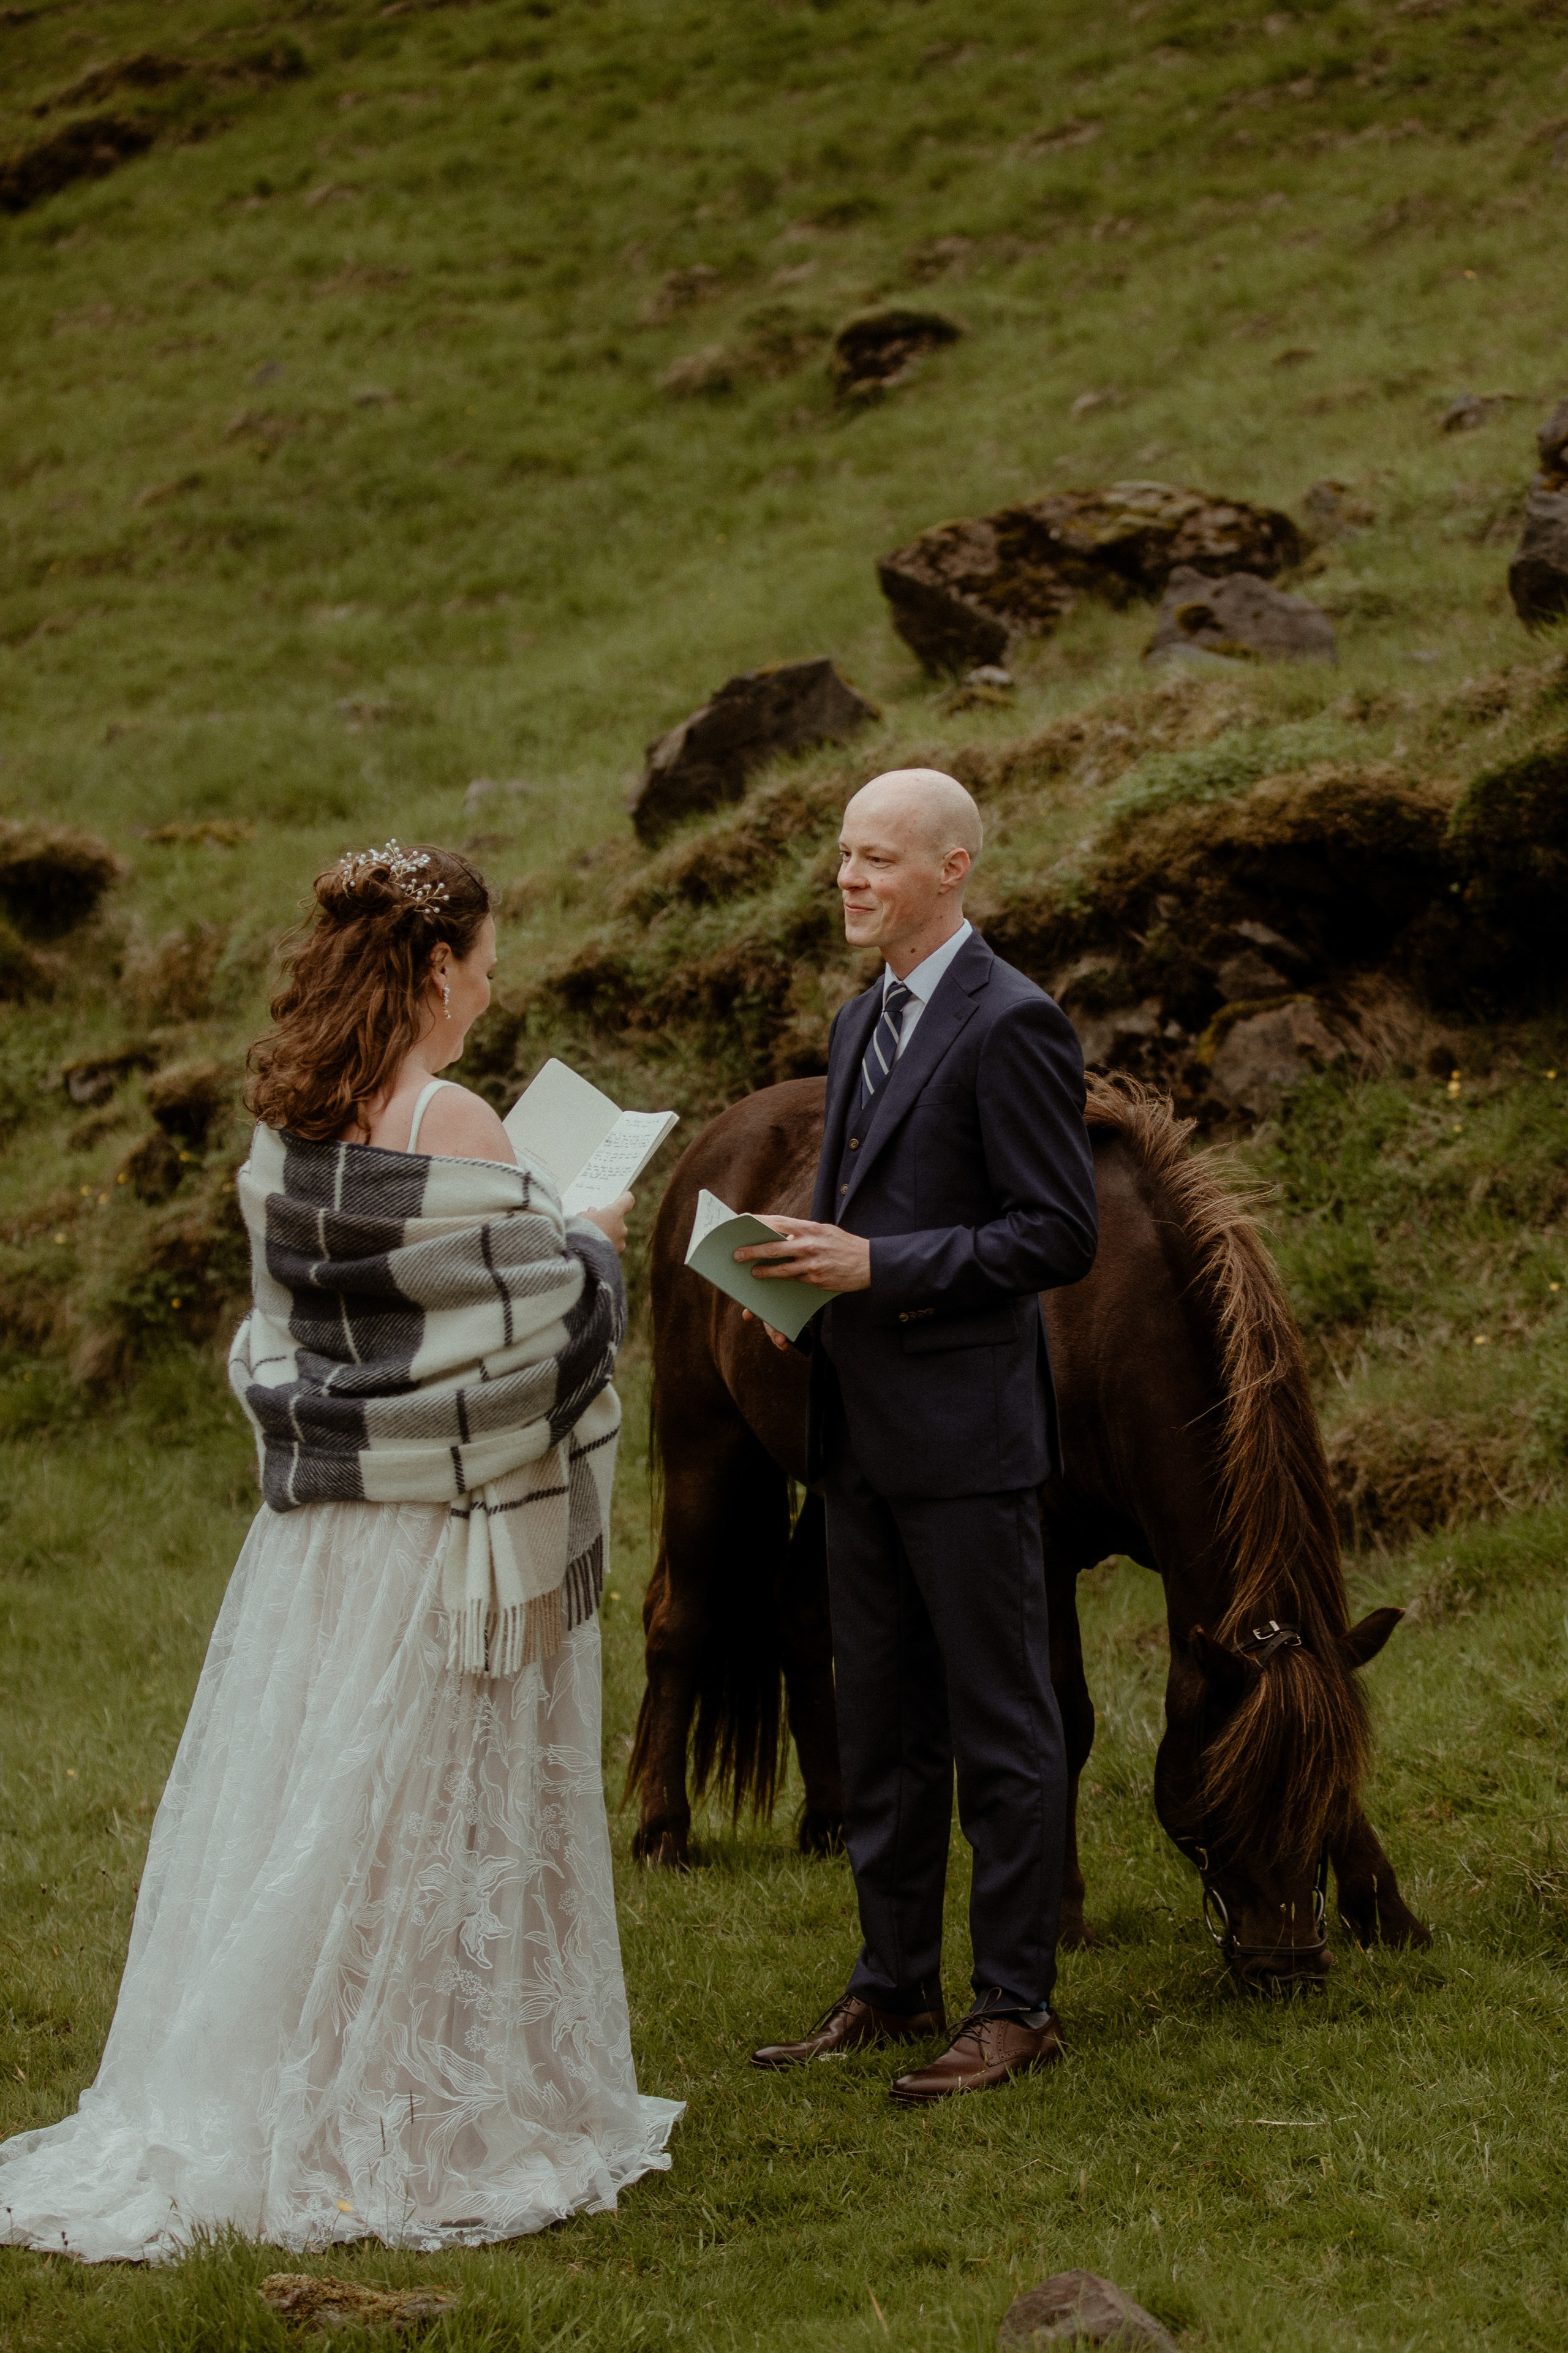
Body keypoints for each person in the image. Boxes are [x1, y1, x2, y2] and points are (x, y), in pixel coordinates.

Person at [0, 841, 680, 2261]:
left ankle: (285, 2067)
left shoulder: (294, 1118)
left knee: (327, 1802)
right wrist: (600, 1238)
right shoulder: (457, 1119)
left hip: (326, 1534)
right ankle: (417, 2111)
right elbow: (530, 1335)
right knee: (426, 1819)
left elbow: (323, 1328)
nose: (494, 991)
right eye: (486, 966)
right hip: (449, 1540)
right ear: (436, 967)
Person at [737, 769, 1098, 2103]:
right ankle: (892, 1985)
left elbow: (1058, 1234)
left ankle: (1015, 2005)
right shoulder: (854, 1022)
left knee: (1001, 1727)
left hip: (967, 1439)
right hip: (854, 1436)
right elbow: (855, 1205)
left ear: (951, 869)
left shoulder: (1014, 1023)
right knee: (879, 1725)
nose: (847, 877)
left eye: (876, 858)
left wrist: (878, 1267)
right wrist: (796, 1295)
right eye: (842, 853)